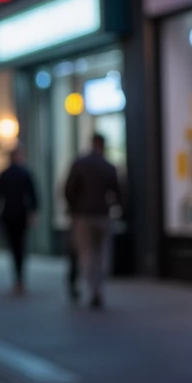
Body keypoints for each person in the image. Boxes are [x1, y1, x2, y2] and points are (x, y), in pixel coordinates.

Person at [65, 132, 121, 308]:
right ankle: (98, 289)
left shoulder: (79, 164)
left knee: (86, 253)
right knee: (102, 252)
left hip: (82, 216)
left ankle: (92, 288)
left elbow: (69, 190)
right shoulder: (108, 166)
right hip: (102, 214)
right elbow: (118, 192)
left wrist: (74, 208)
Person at [0, 144, 38, 293]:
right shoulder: (25, 173)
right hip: (21, 213)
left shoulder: (3, 174)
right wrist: (33, 213)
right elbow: (33, 195)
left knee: (13, 245)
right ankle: (20, 277)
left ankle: (17, 277)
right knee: (21, 245)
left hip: (8, 214)